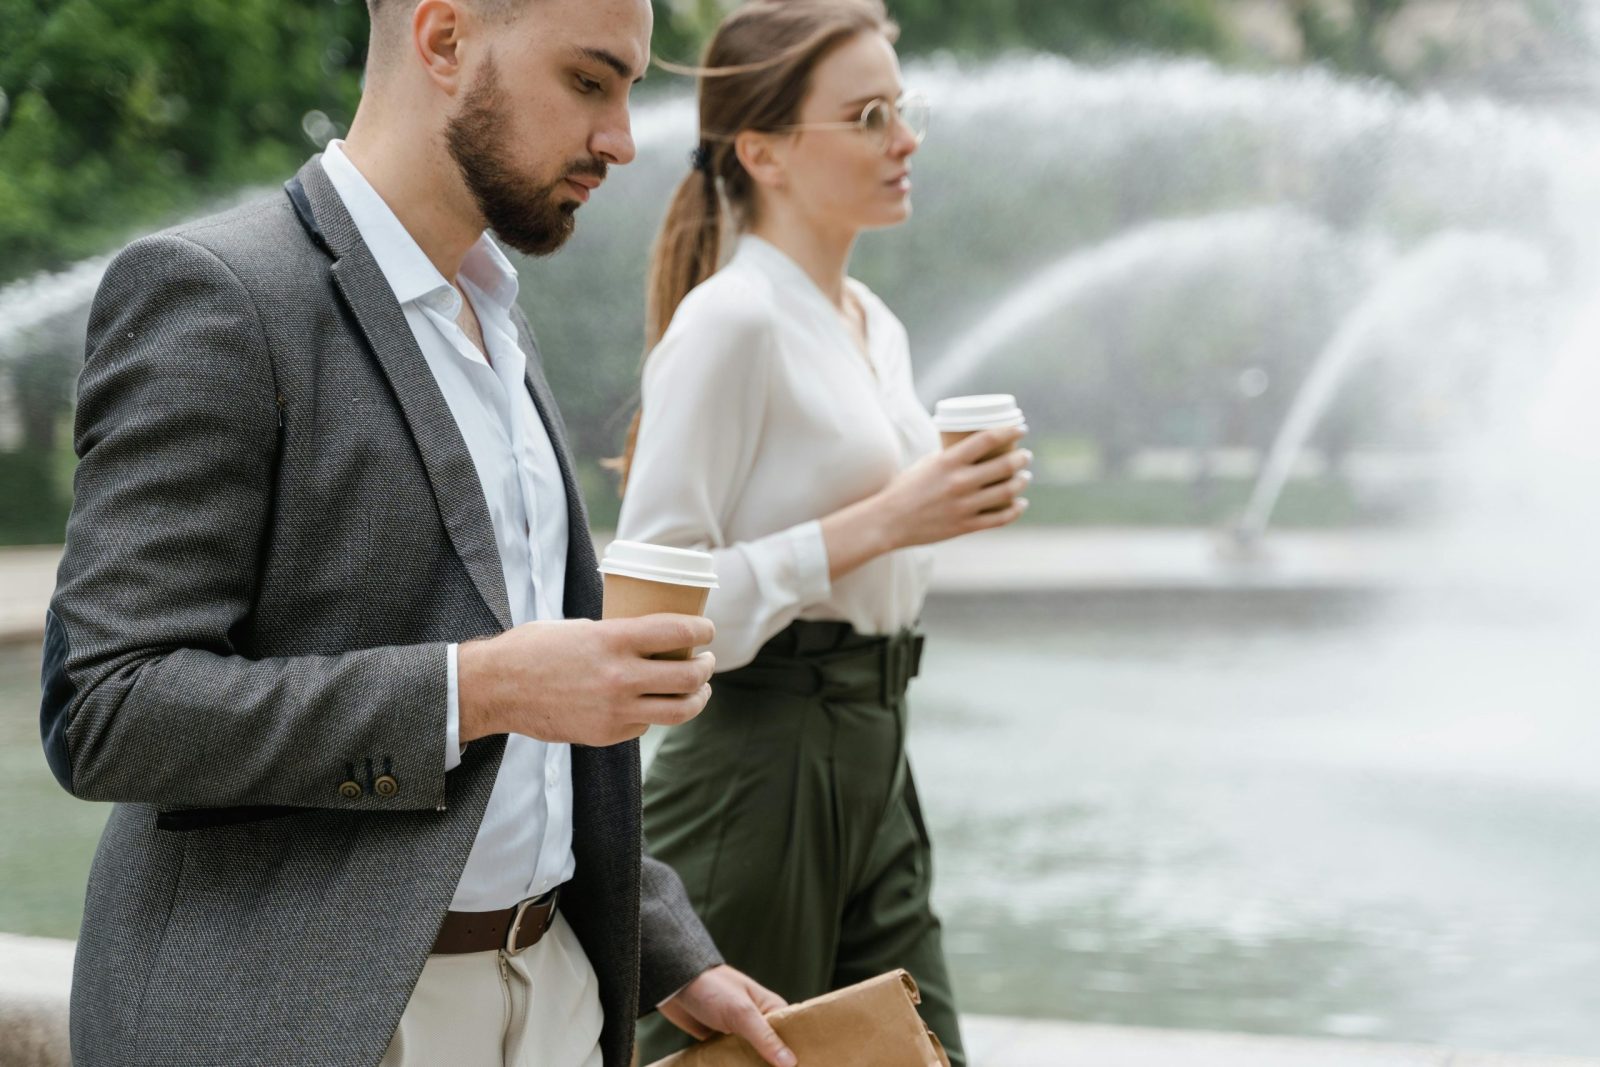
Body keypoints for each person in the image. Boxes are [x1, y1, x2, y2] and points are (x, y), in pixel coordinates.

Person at [39, 1, 799, 1064]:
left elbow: (538, 751)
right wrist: (479, 687)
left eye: (628, 88)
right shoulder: (213, 294)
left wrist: (671, 950)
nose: (623, 138)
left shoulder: (496, 311)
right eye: (589, 82)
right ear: (443, 39)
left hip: (557, 999)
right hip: (317, 1020)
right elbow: (107, 708)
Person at [612, 2, 1033, 1063]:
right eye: (869, 115)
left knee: (918, 1051)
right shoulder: (731, 321)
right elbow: (651, 617)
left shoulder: (870, 323)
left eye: (904, 107)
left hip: (877, 746)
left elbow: (877, 544)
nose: (906, 139)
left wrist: (938, 511)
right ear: (764, 151)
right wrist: (886, 518)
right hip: (760, 762)